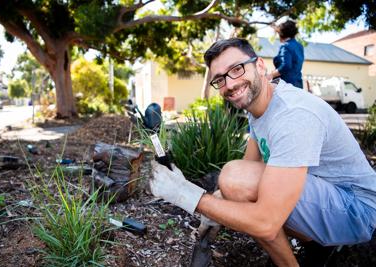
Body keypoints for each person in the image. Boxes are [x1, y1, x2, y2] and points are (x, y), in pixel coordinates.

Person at [150, 38, 376, 267]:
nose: (229, 84)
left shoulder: (294, 115)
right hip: (331, 200)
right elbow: (248, 174)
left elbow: (262, 216)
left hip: (358, 212)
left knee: (236, 181)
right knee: (234, 184)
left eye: (236, 69)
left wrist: (186, 194)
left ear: (259, 66)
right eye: (220, 79)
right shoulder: (257, 108)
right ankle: (316, 246)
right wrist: (217, 202)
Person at [267, 20, 304, 89]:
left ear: (281, 34)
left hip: (286, 85)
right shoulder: (299, 46)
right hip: (298, 84)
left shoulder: (285, 46)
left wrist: (271, 75)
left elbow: (286, 66)